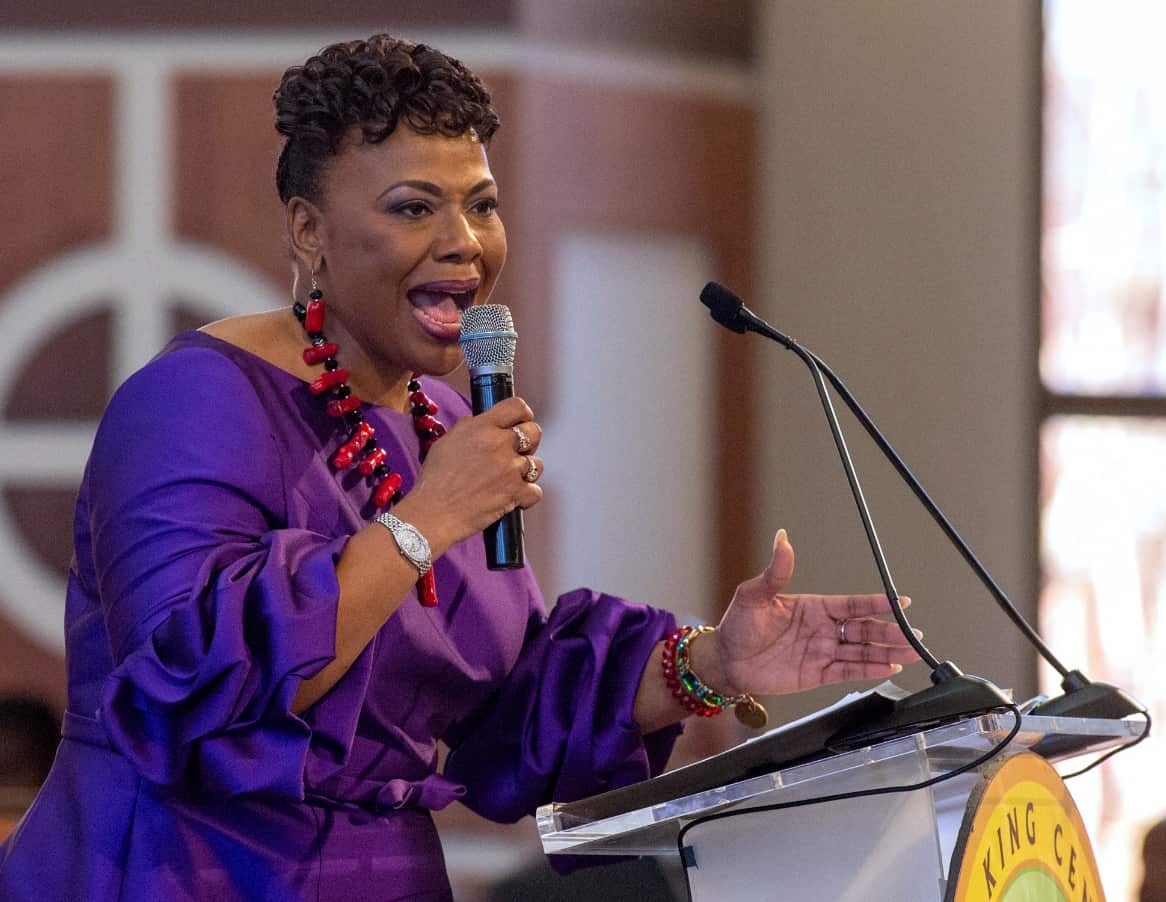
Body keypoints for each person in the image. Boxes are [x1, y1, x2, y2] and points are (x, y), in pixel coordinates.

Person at [0, 35, 919, 901]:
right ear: (309, 231)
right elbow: (200, 680)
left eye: (481, 203)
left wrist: (712, 659)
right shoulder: (197, 400)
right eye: (412, 208)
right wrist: (423, 521)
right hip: (176, 867)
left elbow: (506, 700)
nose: (465, 243)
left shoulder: (442, 420)